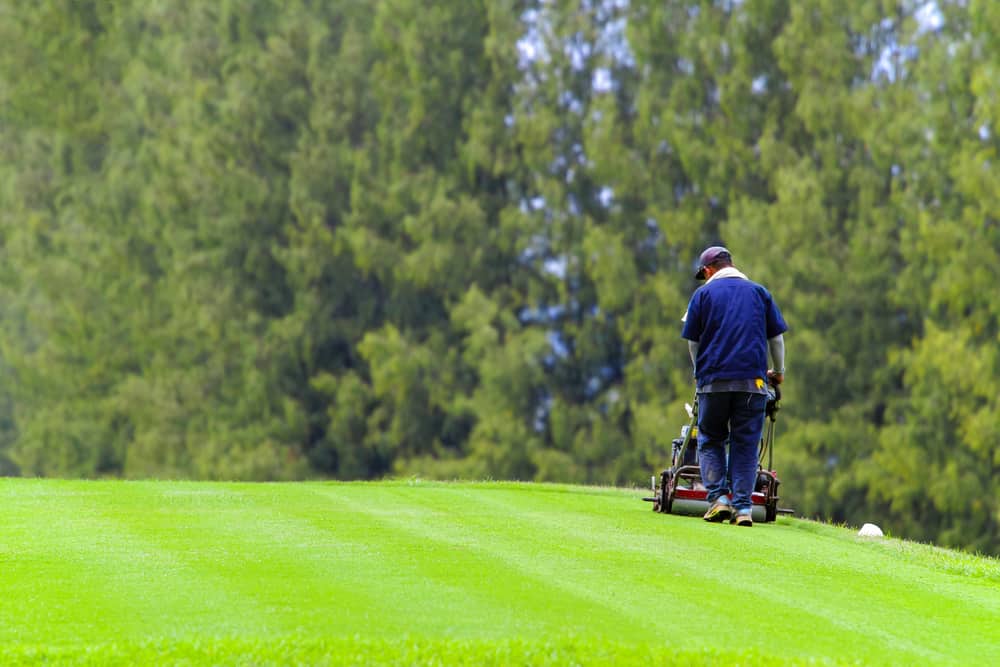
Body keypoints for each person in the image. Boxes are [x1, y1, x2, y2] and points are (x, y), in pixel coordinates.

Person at [681, 246, 787, 526]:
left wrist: (698, 370)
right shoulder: (759, 292)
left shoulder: (702, 295)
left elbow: (693, 341)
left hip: (713, 381)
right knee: (746, 443)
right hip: (752, 383)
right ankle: (743, 509)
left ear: (707, 270)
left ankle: (718, 500)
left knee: (711, 438)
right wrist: (778, 371)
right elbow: (776, 339)